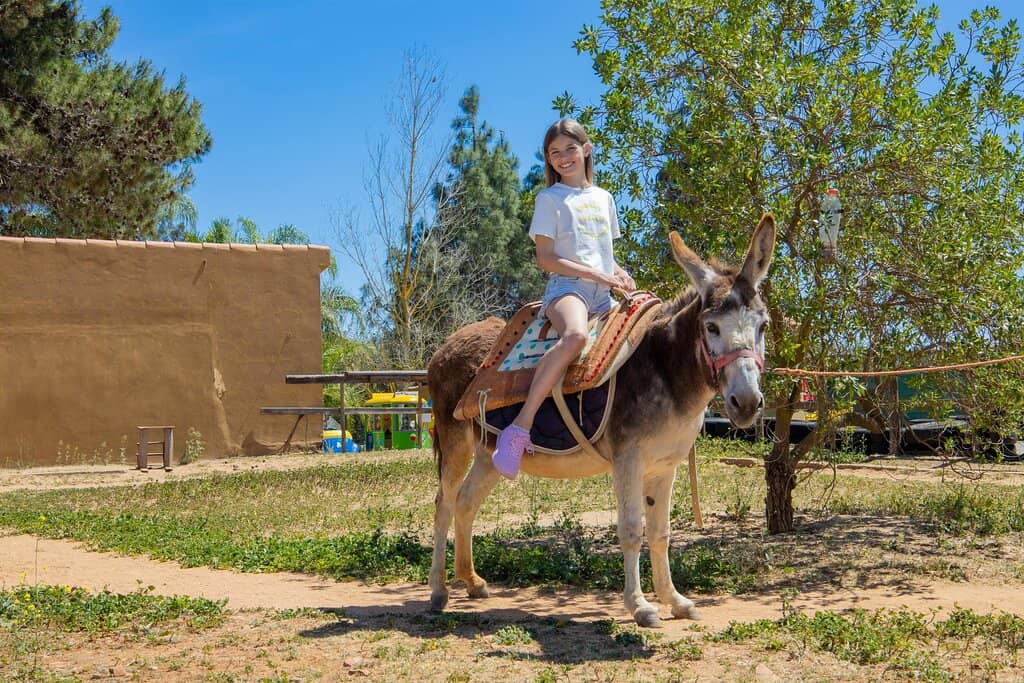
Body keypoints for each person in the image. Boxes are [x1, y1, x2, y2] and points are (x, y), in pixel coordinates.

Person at [492, 118, 636, 479]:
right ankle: (519, 429)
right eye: (554, 153)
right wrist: (596, 274)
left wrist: (616, 272)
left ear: (586, 149)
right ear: (548, 159)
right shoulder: (549, 198)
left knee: (642, 337)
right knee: (575, 337)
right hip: (567, 290)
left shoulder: (604, 198)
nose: (563, 157)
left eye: (570, 149)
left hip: (603, 292)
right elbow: (546, 258)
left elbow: (600, 251)